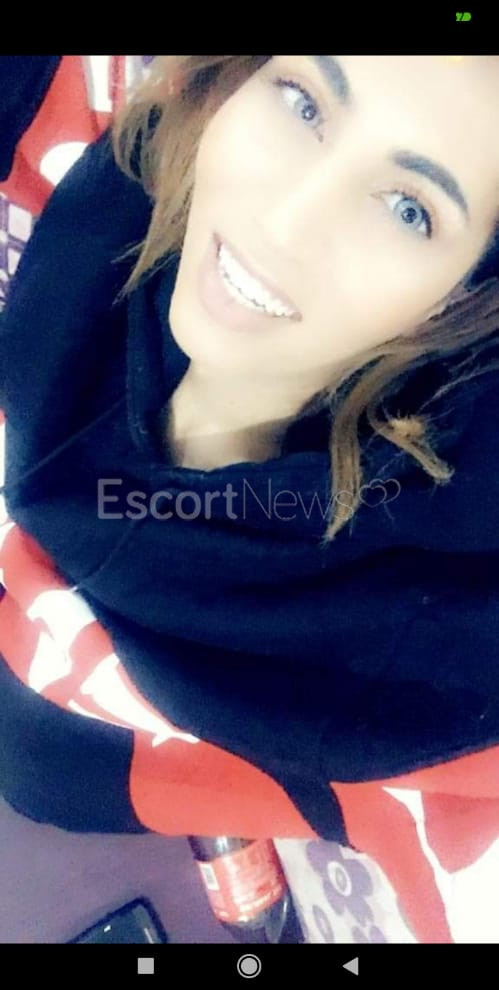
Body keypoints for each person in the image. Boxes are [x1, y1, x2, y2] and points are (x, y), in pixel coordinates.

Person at [1, 55, 499, 944]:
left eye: (408, 208)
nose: (284, 220)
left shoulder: (432, 664)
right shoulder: (95, 139)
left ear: (468, 297)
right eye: (302, 99)